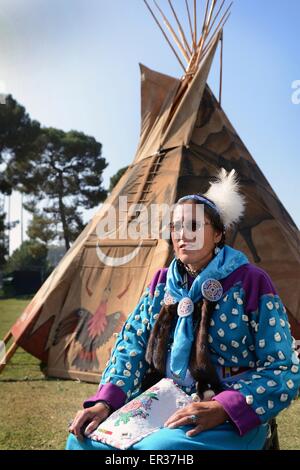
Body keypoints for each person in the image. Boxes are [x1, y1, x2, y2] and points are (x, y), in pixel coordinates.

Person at [66, 169, 300, 450]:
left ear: (217, 234)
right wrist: (106, 401)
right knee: (82, 440)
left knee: (160, 451)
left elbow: (281, 367)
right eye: (176, 227)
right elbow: (132, 346)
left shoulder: (250, 281)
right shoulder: (162, 283)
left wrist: (224, 407)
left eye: (193, 226)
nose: (182, 235)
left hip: (227, 407)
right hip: (163, 401)